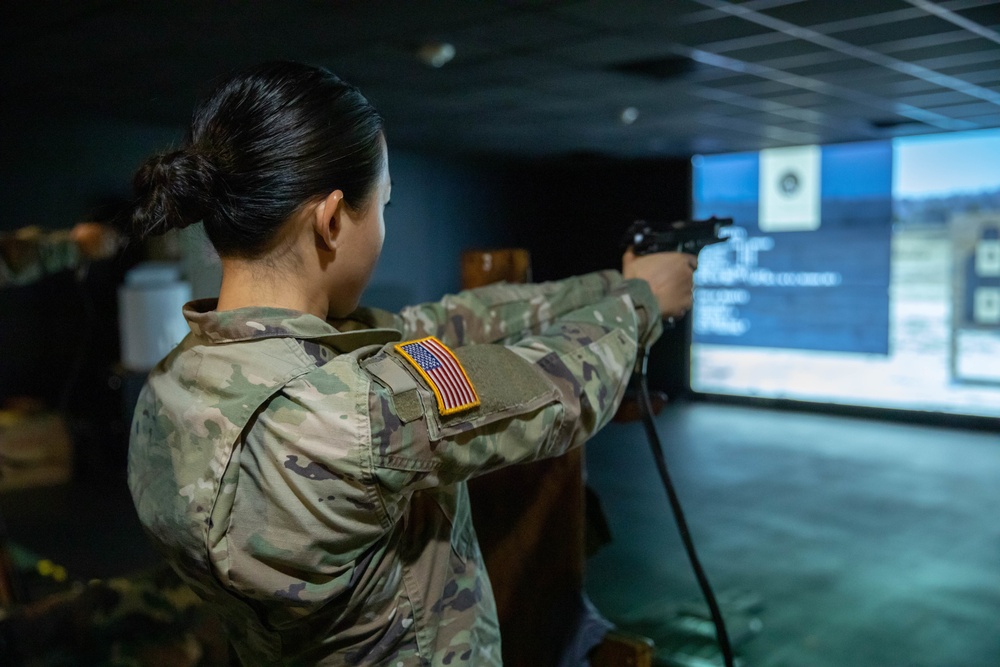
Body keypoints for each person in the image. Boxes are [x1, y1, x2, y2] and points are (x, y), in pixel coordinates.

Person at [124, 60, 696, 666]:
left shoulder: (170, 386)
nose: (384, 228)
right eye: (384, 207)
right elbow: (559, 388)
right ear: (332, 219)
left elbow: (449, 323)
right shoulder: (353, 414)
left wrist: (611, 283)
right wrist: (644, 303)